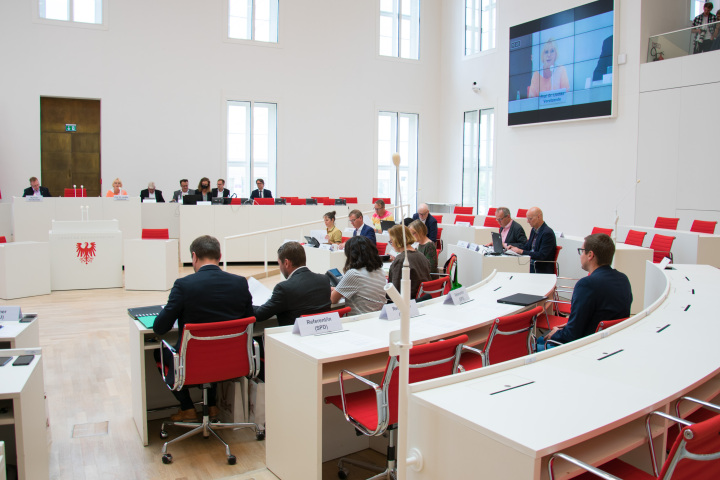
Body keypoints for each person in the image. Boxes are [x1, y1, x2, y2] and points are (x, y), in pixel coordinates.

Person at [152, 235, 254, 421]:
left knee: (160, 352)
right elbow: (248, 319)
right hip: (232, 362)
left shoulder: (183, 285)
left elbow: (160, 328)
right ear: (220, 255)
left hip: (192, 365)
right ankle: (213, 406)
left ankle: (187, 407)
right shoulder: (239, 282)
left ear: (194, 256)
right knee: (217, 344)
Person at [539, 233, 632, 347]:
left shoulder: (586, 284)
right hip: (609, 343)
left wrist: (556, 334)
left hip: (586, 345)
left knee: (538, 342)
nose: (580, 255)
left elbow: (572, 335)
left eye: (582, 251)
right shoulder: (623, 279)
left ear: (590, 255)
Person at [253, 241, 331, 326]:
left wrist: (245, 303)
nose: (280, 268)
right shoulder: (324, 280)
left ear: (286, 263)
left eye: (279, 264)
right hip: (321, 336)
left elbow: (259, 315)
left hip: (294, 336)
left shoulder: (284, 288)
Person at [330, 236, 387, 315]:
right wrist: (339, 289)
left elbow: (333, 300)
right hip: (375, 317)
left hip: (359, 320)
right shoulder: (380, 271)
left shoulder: (354, 274)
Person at [387, 225, 431, 300]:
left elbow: (395, 291)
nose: (392, 244)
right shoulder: (421, 256)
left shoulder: (401, 260)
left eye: (391, 241)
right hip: (422, 299)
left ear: (397, 240)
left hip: (407, 302)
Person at [508, 207, 557, 274]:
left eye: (530, 219)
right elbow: (527, 247)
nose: (527, 221)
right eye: (527, 218)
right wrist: (514, 248)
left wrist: (521, 251)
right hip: (530, 264)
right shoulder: (534, 230)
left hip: (540, 268)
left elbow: (542, 255)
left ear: (538, 217)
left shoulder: (547, 233)